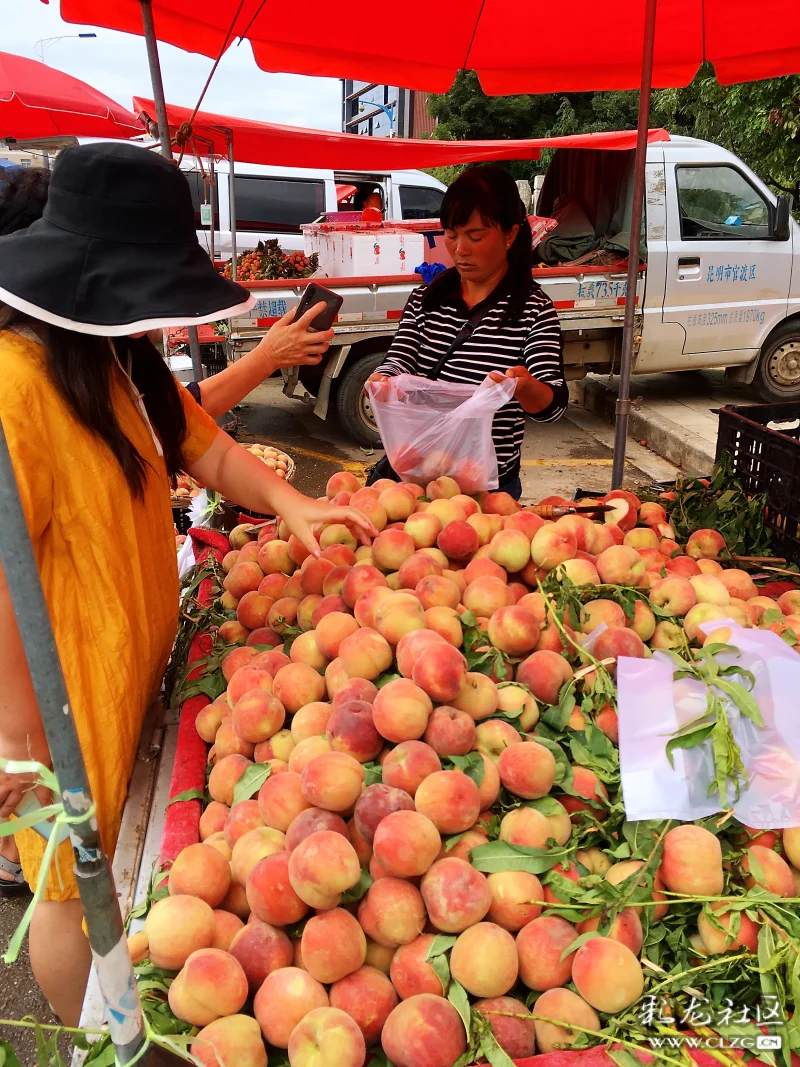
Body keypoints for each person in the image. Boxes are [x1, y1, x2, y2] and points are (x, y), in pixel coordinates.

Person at [0, 141, 376, 1024]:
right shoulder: (17, 383)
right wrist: (18, 731)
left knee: (112, 870)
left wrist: (289, 501)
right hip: (61, 691)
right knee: (70, 885)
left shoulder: (116, 356)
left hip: (126, 654)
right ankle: (94, 1041)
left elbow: (198, 442)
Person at [366, 165, 568, 499]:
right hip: (417, 482)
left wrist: (523, 385)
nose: (460, 248)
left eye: (475, 236)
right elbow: (400, 359)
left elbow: (553, 406)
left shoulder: (533, 311)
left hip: (486, 493)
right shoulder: (426, 299)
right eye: (451, 234)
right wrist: (381, 379)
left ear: (509, 234)